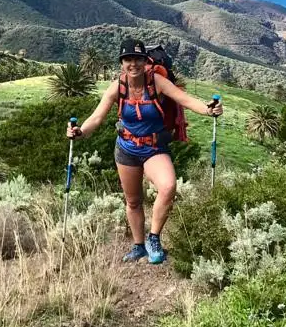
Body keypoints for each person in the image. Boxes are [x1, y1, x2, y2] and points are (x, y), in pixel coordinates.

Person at [66, 38, 223, 264]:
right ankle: (138, 246)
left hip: (154, 148)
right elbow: (97, 117)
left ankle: (154, 238)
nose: (133, 64)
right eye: (128, 59)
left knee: (168, 186)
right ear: (122, 62)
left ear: (144, 60)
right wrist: (80, 132)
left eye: (138, 59)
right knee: (133, 201)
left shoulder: (156, 82)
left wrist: (209, 110)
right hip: (126, 149)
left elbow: (186, 100)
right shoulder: (117, 87)